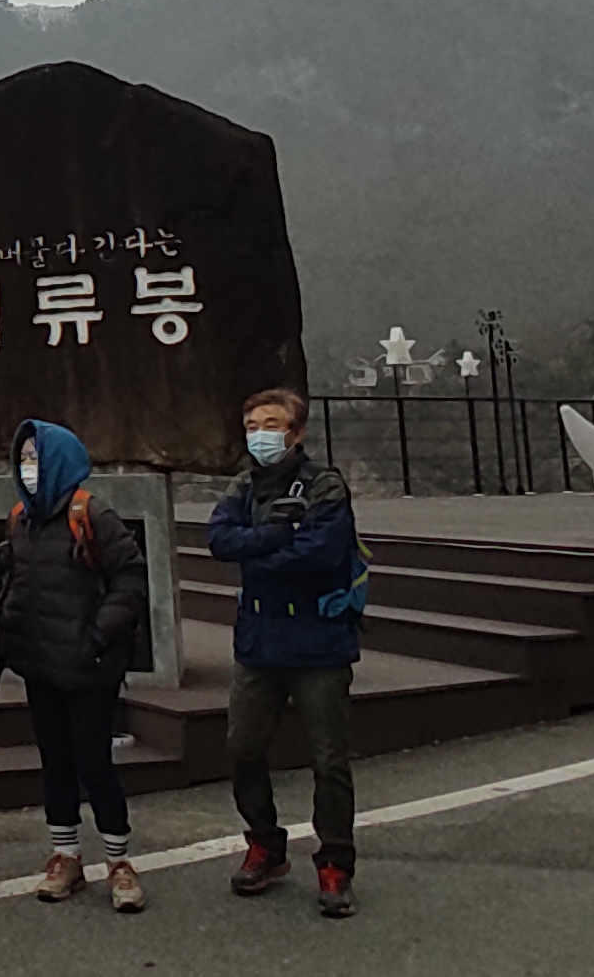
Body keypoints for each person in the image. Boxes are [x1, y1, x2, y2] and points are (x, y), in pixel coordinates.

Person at [203, 386, 363, 919]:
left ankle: (335, 862)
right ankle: (265, 845)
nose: (259, 436)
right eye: (251, 426)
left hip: (320, 641)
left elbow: (319, 554)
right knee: (242, 747)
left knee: (328, 759)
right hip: (259, 641)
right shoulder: (243, 485)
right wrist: (278, 535)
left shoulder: (324, 485)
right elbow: (220, 540)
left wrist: (258, 551)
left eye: (270, 425)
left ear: (297, 432)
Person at [0, 418, 152, 912]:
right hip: (41, 665)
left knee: (94, 763)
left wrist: (97, 636)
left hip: (89, 668)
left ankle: (119, 861)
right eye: (23, 459)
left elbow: (131, 578)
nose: (29, 468)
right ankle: (66, 856)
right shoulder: (21, 520)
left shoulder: (92, 514)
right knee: (55, 762)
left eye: (36, 458)